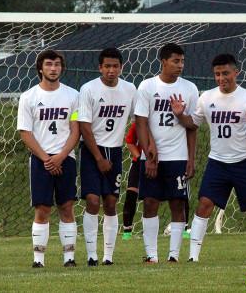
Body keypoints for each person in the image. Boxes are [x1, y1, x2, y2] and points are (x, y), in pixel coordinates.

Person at [170, 53, 246, 262]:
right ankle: (192, 258)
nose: (221, 78)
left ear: (236, 72)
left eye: (225, 73)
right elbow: (193, 124)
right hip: (218, 162)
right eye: (217, 74)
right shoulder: (206, 98)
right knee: (204, 204)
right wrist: (180, 115)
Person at [134, 43, 198, 263]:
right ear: (163, 61)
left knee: (178, 203)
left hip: (178, 157)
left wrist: (191, 158)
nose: (180, 65)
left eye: (182, 61)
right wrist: (149, 154)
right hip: (153, 157)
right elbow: (141, 122)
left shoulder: (190, 88)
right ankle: (151, 255)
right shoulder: (147, 86)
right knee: (150, 201)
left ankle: (174, 256)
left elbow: (193, 126)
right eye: (175, 61)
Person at [17, 49, 80, 268]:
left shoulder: (73, 95)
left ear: (62, 68)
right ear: (40, 68)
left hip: (66, 158)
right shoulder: (29, 97)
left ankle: (69, 258)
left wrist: (61, 156)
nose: (53, 68)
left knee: (67, 207)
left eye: (57, 64)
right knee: (42, 209)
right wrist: (46, 159)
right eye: (49, 64)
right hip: (40, 160)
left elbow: (75, 130)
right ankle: (38, 260)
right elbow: (25, 132)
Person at [78, 48, 137, 266]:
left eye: (115, 66)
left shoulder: (130, 89)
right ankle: (92, 255)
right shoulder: (88, 89)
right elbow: (84, 125)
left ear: (121, 67)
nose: (111, 71)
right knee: (93, 201)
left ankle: (108, 256)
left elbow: (138, 119)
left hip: (114, 150)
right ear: (100, 68)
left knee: (111, 203)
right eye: (107, 66)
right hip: (92, 150)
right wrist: (99, 158)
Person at [121, 123, 192, 241]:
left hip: (168, 161)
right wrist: (138, 158)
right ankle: (127, 231)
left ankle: (184, 228)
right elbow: (129, 141)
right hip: (143, 161)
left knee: (179, 195)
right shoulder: (139, 123)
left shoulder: (171, 125)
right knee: (132, 193)